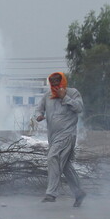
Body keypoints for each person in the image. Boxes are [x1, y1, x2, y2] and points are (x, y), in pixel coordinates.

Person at [35, 72, 86, 206]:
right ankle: (79, 192)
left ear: (63, 82)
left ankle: (51, 193)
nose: (56, 87)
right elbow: (38, 109)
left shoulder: (73, 93)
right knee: (65, 166)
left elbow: (79, 108)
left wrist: (66, 98)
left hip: (67, 134)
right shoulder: (47, 96)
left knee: (53, 157)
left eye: (58, 84)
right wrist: (39, 115)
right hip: (53, 136)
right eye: (53, 84)